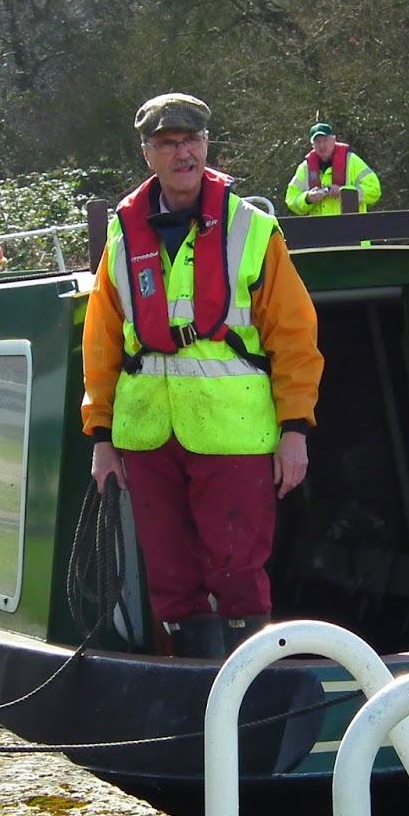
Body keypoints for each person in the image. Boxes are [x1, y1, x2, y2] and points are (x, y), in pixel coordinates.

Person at [82, 93, 324, 661]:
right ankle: (196, 682)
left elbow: (295, 337)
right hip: (146, 436)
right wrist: (101, 438)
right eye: (167, 144)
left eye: (191, 140)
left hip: (234, 432)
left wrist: (295, 430)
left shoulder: (254, 230)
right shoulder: (122, 238)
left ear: (207, 146)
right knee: (169, 575)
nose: (182, 153)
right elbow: (101, 344)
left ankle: (250, 684)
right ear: (148, 155)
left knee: (237, 568)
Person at [284, 122, 382, 218]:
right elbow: (291, 199)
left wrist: (343, 192)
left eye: (325, 140)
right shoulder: (305, 168)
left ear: (334, 140)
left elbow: (374, 191)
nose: (322, 145)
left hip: (351, 225)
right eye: (318, 141)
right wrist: (308, 198)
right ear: (312, 145)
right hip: (320, 227)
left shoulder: (352, 161)